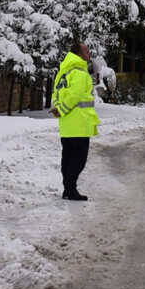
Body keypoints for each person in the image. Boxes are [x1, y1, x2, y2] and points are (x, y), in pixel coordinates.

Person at [53, 37, 99, 200]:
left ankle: (67, 189)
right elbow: (75, 95)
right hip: (79, 123)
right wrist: (62, 109)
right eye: (86, 51)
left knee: (67, 157)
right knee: (79, 159)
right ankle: (71, 190)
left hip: (66, 124)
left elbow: (56, 93)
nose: (89, 53)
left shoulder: (63, 72)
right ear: (78, 54)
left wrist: (57, 108)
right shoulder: (80, 72)